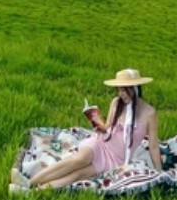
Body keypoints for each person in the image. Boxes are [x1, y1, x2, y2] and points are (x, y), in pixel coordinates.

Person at [16, 68, 162, 190]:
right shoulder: (116, 103)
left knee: (79, 175)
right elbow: (108, 128)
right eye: (119, 90)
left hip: (116, 158)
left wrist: (159, 172)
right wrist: (97, 122)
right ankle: (28, 182)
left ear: (135, 89)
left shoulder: (149, 113)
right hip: (101, 143)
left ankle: (35, 192)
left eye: (125, 90)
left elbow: (154, 146)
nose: (121, 94)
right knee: (79, 159)